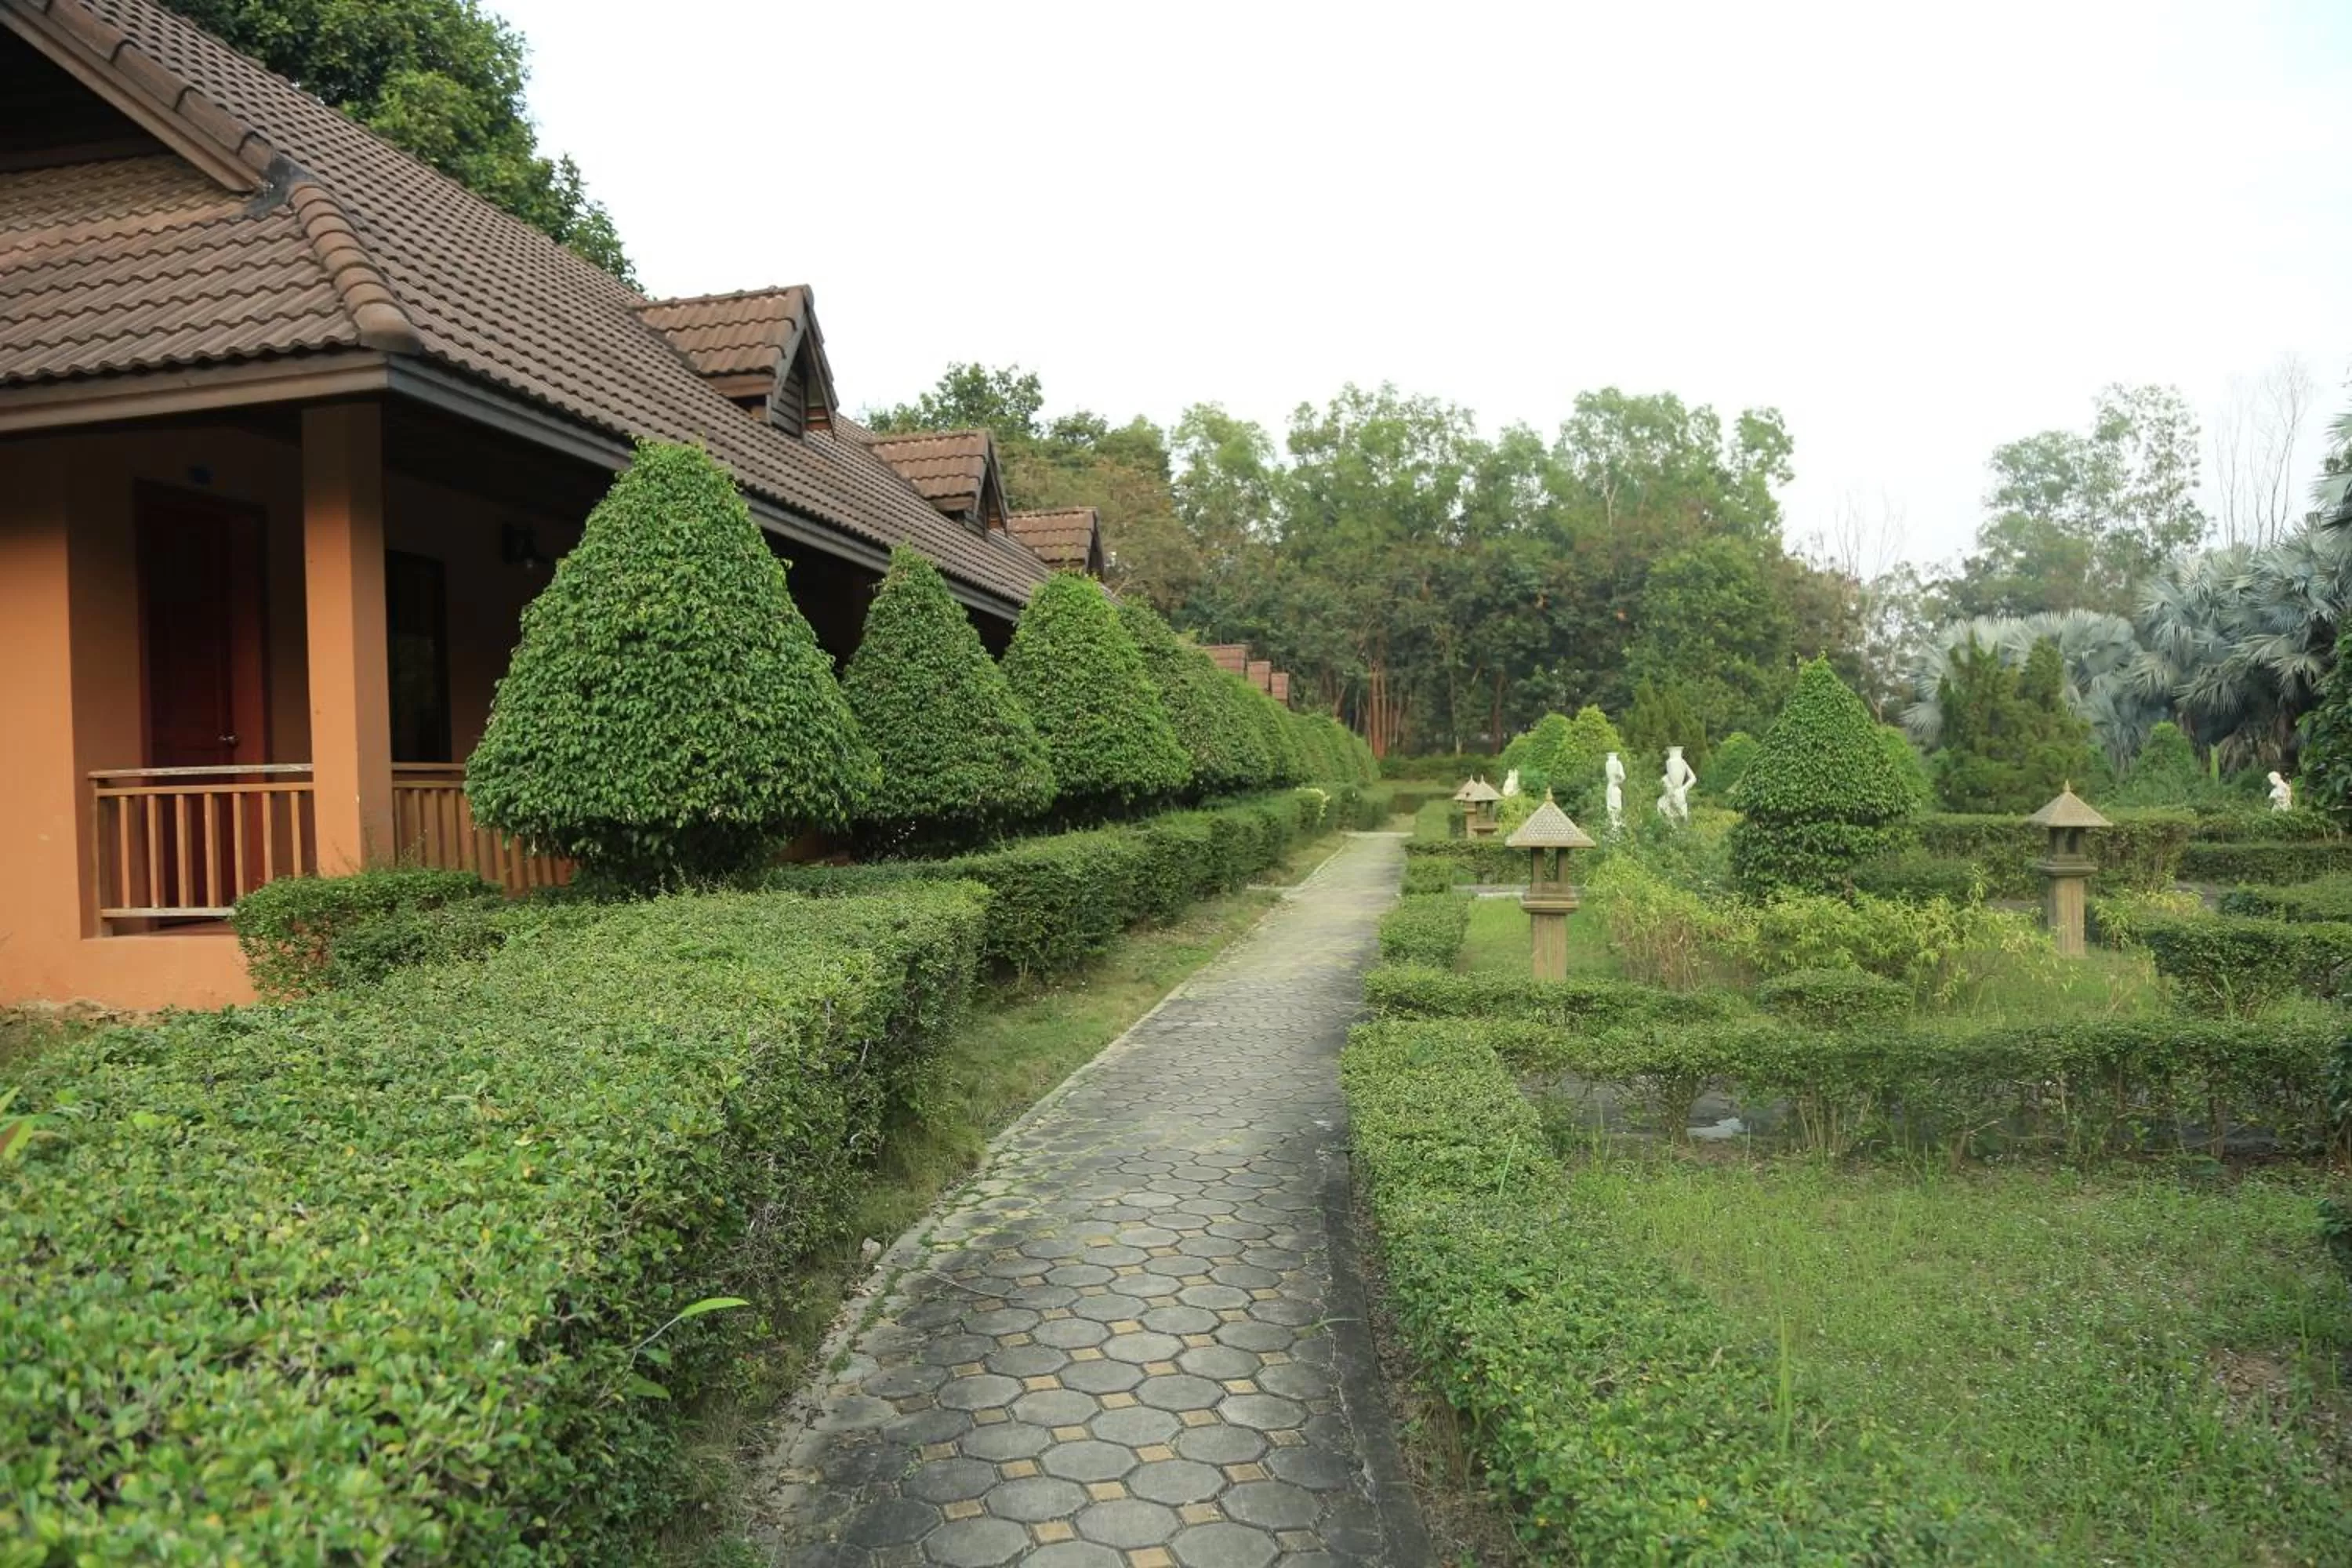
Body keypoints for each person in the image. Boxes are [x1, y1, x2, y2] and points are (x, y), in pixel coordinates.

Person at [1659, 745, 1696, 825]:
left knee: (1681, 820)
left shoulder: (1680, 763)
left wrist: (1684, 788)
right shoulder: (1666, 779)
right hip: (1673, 798)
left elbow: (1693, 778)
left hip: (1679, 796)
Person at [1603, 752, 1626, 832]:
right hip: (1610, 788)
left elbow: (1622, 777)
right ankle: (1613, 825)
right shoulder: (1607, 764)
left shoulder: (1618, 763)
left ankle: (1616, 825)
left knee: (1617, 808)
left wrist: (1617, 778)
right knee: (1610, 809)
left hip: (1614, 788)